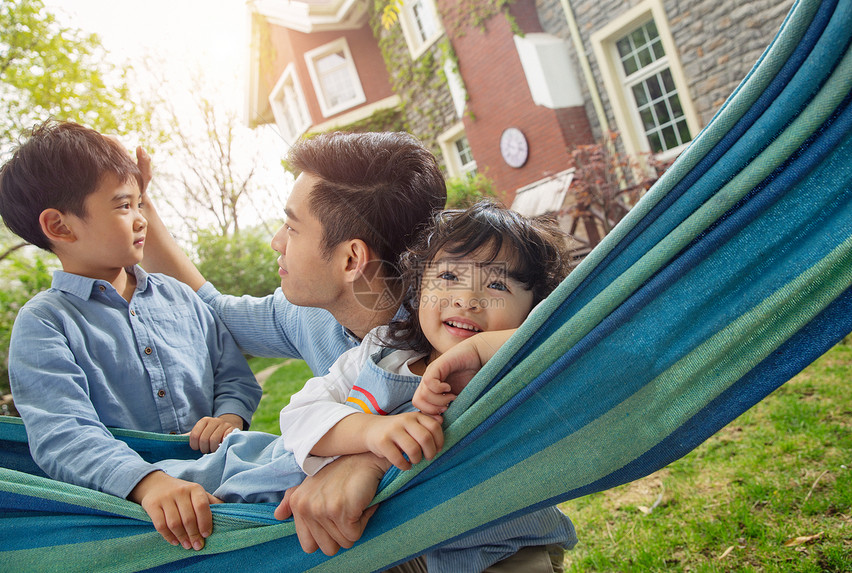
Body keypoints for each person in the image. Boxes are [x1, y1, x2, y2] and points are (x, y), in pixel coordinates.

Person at [139, 132, 571, 571]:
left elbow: (559, 339)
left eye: (291, 227)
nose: (276, 242)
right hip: (380, 537)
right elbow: (212, 310)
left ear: (351, 259)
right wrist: (142, 207)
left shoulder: (456, 321)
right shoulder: (308, 316)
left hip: (485, 533)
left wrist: (365, 459)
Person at [0, 120, 263, 552]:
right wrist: (148, 482)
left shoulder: (180, 296)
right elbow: (64, 434)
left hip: (225, 483)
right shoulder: (45, 323)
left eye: (141, 202)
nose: (142, 219)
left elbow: (231, 373)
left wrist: (230, 415)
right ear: (60, 227)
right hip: (135, 520)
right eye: (124, 206)